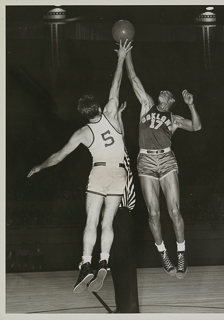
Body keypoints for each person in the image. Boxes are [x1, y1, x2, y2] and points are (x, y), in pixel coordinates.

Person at [27, 39, 133, 293]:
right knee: (108, 222)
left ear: (84, 113)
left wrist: (40, 167)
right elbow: (116, 83)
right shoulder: (110, 112)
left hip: (99, 172)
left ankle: (86, 264)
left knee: (91, 221)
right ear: (97, 106)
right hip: (119, 172)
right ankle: (104, 260)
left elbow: (59, 156)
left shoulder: (83, 132)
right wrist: (120, 57)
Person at [125, 49, 201, 279]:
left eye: (167, 93)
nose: (163, 91)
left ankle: (181, 254)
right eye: (163, 91)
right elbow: (134, 79)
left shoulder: (174, 118)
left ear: (171, 102)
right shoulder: (146, 105)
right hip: (146, 159)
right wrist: (127, 54)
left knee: (174, 210)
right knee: (153, 213)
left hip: (166, 159)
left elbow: (196, 127)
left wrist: (191, 105)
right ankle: (163, 253)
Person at [109, 103, 139, 313]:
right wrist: (118, 116)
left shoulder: (120, 156)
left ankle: (129, 310)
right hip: (115, 217)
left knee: (124, 264)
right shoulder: (114, 157)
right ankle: (123, 308)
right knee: (118, 265)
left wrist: (118, 117)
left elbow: (121, 135)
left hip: (122, 215)